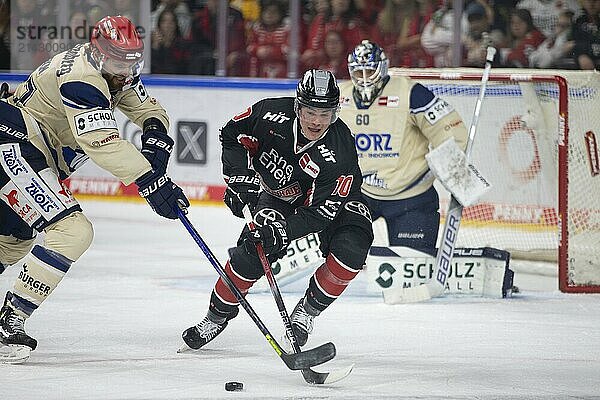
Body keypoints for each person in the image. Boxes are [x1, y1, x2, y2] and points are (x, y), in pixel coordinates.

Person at [0, 15, 189, 358]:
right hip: (13, 142)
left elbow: (149, 110)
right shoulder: (80, 78)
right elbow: (101, 142)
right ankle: (8, 323)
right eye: (118, 60)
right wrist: (151, 181)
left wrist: (157, 144)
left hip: (27, 148)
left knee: (11, 241)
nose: (125, 69)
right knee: (72, 231)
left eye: (131, 61)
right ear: (99, 52)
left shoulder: (115, 71)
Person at [181, 69, 373, 350]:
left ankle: (306, 312)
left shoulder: (340, 150)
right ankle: (216, 317)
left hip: (333, 203)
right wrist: (239, 181)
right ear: (298, 107)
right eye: (310, 112)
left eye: (325, 114)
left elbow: (320, 214)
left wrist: (284, 230)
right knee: (254, 250)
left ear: (335, 113)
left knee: (352, 249)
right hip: (277, 196)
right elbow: (232, 134)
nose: (317, 121)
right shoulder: (269, 113)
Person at [339, 40, 468, 253]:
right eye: (358, 72)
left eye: (369, 71)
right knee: (340, 254)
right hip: (359, 193)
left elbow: (448, 129)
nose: (363, 79)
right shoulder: (340, 97)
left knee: (410, 266)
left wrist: (451, 166)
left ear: (382, 68)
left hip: (411, 196)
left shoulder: (411, 93)